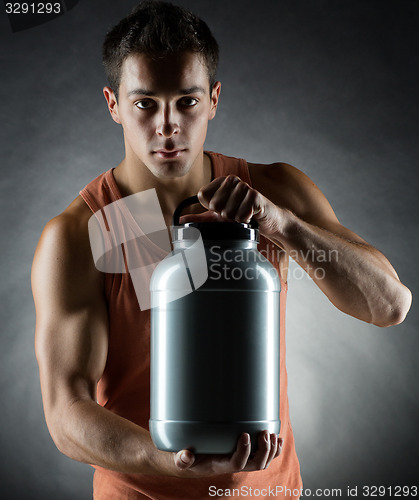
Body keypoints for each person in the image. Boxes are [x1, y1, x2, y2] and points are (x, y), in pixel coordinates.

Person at [31, 1, 412, 499]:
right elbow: (66, 413)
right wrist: (165, 458)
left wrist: (282, 225)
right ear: (113, 104)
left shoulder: (273, 190)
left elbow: (390, 304)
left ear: (212, 99)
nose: (168, 126)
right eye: (145, 103)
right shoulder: (83, 232)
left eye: (186, 102)